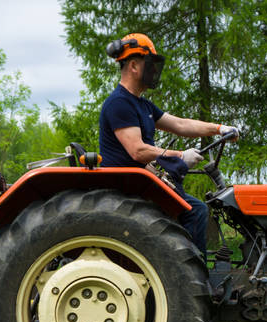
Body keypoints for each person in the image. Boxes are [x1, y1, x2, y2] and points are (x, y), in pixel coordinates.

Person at [98, 32, 238, 255]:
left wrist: (219, 129)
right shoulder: (119, 103)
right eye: (150, 64)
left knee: (196, 209)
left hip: (142, 183)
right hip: (128, 189)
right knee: (195, 211)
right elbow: (138, 150)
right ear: (134, 65)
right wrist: (180, 156)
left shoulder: (142, 105)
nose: (154, 71)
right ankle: (192, 278)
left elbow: (181, 125)